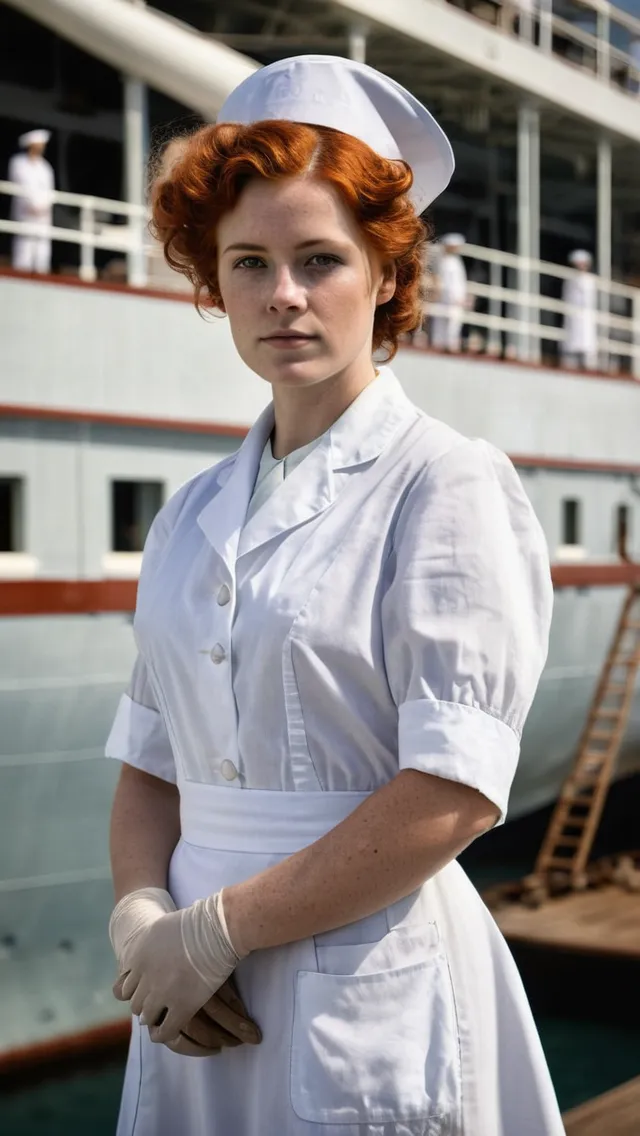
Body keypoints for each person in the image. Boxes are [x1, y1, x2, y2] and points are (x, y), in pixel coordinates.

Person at [105, 55, 565, 1136]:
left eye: (320, 259)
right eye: (249, 262)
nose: (284, 296)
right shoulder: (191, 512)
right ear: (212, 282)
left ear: (386, 275)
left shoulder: (444, 482)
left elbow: (452, 790)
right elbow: (148, 754)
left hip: (363, 976)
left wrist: (220, 925)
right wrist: (142, 918)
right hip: (185, 989)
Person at [7, 129, 55, 274]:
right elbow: (18, 184)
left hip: (43, 215)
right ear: (31, 145)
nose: (41, 147)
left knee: (42, 248)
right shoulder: (18, 163)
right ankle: (21, 271)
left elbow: (50, 190)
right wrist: (31, 205)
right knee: (24, 246)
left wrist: (43, 206)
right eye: (38, 144)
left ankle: (42, 272)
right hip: (25, 212)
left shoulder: (46, 167)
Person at [430, 232, 469, 352]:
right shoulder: (444, 261)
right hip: (447, 298)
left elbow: (459, 282)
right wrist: (456, 298)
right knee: (441, 322)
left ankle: (449, 344)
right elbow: (448, 283)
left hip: (454, 299)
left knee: (453, 324)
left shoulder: (455, 261)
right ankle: (440, 345)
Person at [562, 249, 598, 371]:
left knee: (587, 344)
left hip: (586, 316)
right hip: (572, 316)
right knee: (571, 344)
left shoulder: (591, 280)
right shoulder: (569, 279)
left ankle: (588, 366)